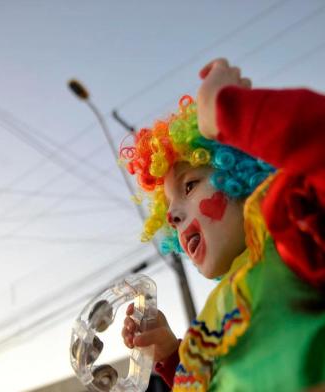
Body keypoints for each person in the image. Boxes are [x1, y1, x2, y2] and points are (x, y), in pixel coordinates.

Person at [120, 58, 325, 391]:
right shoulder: (216, 322)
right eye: (170, 210)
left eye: (189, 186)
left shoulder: (295, 231)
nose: (173, 217)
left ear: (240, 173)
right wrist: (172, 357)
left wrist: (227, 111)